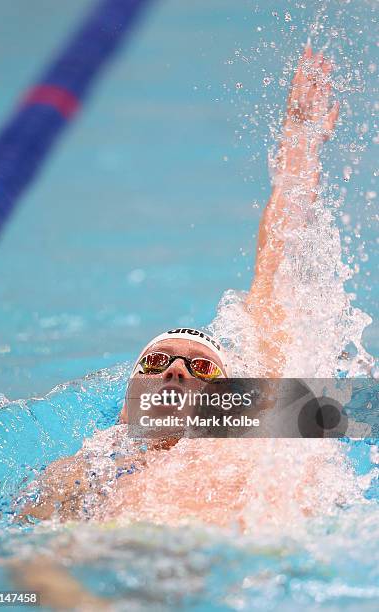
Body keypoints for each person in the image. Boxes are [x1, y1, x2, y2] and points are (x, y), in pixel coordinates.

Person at [18, 43, 342, 526]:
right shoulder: (76, 478)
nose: (175, 371)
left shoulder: (254, 443)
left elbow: (273, 279)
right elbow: (31, 564)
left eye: (200, 368)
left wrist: (298, 153)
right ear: (126, 407)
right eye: (155, 361)